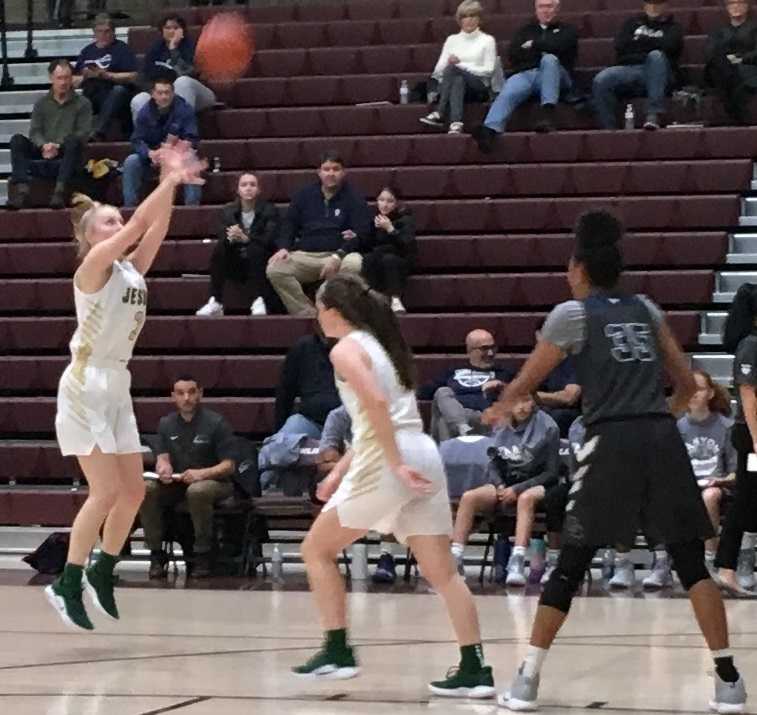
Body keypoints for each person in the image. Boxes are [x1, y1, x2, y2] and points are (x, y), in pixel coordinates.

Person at [484, 210, 746, 713]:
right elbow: (689, 383)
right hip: (660, 439)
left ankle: (527, 679)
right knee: (692, 563)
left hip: (611, 442)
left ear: (579, 267)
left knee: (573, 561)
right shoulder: (646, 308)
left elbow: (528, 380)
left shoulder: (571, 315)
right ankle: (729, 681)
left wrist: (500, 406)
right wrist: (660, 417)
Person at [291, 274, 495, 699]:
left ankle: (337, 650)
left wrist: (395, 465)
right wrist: (339, 471)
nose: (315, 314)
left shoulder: (346, 349)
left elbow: (377, 407)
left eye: (318, 305)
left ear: (332, 309)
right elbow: (379, 419)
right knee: (443, 573)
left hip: (391, 457)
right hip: (421, 450)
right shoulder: (381, 346)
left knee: (316, 550)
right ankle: (475, 667)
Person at [45, 142, 205, 630]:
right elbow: (139, 225)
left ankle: (103, 568)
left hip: (117, 381)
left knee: (135, 492)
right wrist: (169, 179)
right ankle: (66, 580)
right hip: (86, 381)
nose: (118, 227)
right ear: (90, 237)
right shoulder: (91, 269)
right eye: (107, 223)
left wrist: (171, 186)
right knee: (105, 490)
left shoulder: (131, 272)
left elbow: (154, 228)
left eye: (116, 221)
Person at [450, 394, 560, 586]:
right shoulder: (500, 425)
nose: (522, 406)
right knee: (469, 497)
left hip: (537, 484)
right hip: (504, 483)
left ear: (534, 401)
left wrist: (518, 489)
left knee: (525, 499)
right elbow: (492, 463)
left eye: (527, 400)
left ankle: (517, 561)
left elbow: (551, 472)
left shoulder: (549, 427)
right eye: (517, 400)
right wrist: (500, 485)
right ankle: (455, 558)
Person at [140, 375, 237, 579]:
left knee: (197, 491)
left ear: (200, 394)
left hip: (215, 482)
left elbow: (229, 465)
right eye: (181, 393)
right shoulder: (166, 424)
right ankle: (156, 553)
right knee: (147, 488)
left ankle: (202, 552)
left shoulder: (216, 422)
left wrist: (202, 473)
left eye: (191, 392)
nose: (186, 398)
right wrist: (163, 468)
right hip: (177, 482)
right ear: (173, 396)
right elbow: (162, 457)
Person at [266, 152, 371, 317]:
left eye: (336, 169)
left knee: (355, 264)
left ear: (344, 172)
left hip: (339, 254)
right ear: (319, 172)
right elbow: (289, 224)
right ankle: (307, 312)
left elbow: (362, 233)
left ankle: (329, 306)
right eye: (326, 169)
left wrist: (338, 256)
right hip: (307, 254)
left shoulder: (355, 198)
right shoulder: (304, 195)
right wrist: (284, 247)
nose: (331, 173)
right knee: (275, 268)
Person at [472, 0, 578, 153]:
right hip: (529, 73)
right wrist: (544, 47)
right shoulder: (525, 31)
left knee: (549, 59)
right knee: (513, 84)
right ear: (536, 10)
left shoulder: (567, 30)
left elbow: (561, 47)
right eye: (542, 7)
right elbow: (514, 55)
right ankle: (490, 129)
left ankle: (547, 114)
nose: (545, 10)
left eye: (549, 6)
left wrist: (534, 46)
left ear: (557, 9)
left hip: (558, 76)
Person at [714, 283, 757, 596]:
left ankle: (730, 565)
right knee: (744, 499)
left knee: (749, 499)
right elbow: (748, 395)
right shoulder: (751, 345)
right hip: (751, 434)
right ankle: (726, 566)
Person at [8, 60, 92, 210]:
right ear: (51, 78)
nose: (64, 82)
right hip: (43, 150)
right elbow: (35, 131)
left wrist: (58, 146)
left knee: (74, 141)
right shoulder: (41, 104)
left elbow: (84, 132)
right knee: (17, 140)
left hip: (67, 152)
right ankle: (22, 191)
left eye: (67, 77)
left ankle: (59, 192)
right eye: (59, 78)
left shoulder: (83, 103)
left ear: (72, 78)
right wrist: (43, 145)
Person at [195, 172, 282, 318]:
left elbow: (269, 239)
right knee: (220, 248)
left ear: (259, 190)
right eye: (244, 185)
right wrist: (231, 236)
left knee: (255, 249)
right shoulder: (227, 211)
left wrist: (246, 239)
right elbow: (222, 234)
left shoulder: (269, 210)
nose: (248, 188)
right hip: (235, 261)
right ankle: (215, 301)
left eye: (252, 185)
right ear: (238, 190)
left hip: (261, 260)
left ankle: (259, 299)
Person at [592, 0, 684, 131]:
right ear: (644, 5)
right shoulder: (632, 24)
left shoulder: (674, 28)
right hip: (631, 69)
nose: (653, 7)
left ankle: (653, 114)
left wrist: (639, 43)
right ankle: (608, 129)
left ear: (665, 6)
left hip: (660, 72)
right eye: (650, 3)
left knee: (656, 56)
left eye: (657, 4)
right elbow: (620, 45)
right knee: (602, 79)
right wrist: (654, 43)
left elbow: (670, 47)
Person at [419, 329, 513, 442]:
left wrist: (503, 386)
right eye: (484, 349)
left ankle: (457, 441)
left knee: (444, 421)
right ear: (469, 350)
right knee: (442, 392)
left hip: (484, 419)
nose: (490, 353)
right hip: (455, 416)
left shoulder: (503, 372)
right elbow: (424, 392)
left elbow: (524, 395)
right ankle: (462, 427)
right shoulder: (453, 371)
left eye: (493, 347)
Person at [419, 0, 497, 134]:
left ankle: (440, 112)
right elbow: (439, 70)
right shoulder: (452, 40)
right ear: (460, 20)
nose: (469, 20)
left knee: (454, 69)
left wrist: (460, 65)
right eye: (465, 16)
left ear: (479, 19)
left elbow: (488, 70)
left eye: (473, 16)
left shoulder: (487, 40)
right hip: (456, 84)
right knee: (457, 79)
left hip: (478, 86)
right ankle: (456, 123)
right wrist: (451, 64)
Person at [122, 77, 200, 208]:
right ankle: (129, 207)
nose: (164, 97)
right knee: (131, 161)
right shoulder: (144, 113)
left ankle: (192, 208)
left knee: (191, 158)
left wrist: (173, 151)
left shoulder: (185, 110)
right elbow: (136, 140)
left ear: (173, 93)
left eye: (167, 92)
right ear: (153, 94)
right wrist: (149, 153)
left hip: (178, 156)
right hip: (153, 158)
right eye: (160, 93)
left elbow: (192, 139)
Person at [130, 14, 216, 124]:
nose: (172, 31)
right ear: (162, 31)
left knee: (182, 82)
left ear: (183, 31)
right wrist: (156, 93)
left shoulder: (192, 47)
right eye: (168, 28)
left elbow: (188, 73)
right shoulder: (155, 50)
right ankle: (145, 138)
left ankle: (181, 133)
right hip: (165, 95)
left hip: (198, 94)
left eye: (176, 28)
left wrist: (173, 49)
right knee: (139, 100)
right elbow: (143, 77)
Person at [73, 13, 138, 141]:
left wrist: (107, 75)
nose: (103, 35)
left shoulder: (122, 49)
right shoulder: (87, 51)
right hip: (92, 92)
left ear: (113, 32)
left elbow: (134, 76)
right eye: (99, 31)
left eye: (107, 31)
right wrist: (86, 76)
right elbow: (73, 81)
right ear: (94, 33)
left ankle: (98, 132)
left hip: (114, 91)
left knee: (118, 91)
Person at [360, 186, 416, 314]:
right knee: (369, 259)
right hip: (379, 257)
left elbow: (406, 245)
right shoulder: (374, 219)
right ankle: (372, 299)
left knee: (389, 260)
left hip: (401, 258)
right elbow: (367, 244)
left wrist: (390, 229)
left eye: (389, 201)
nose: (384, 205)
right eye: (381, 200)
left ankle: (395, 299)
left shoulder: (405, 220)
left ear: (396, 204)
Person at [705, 0, 757, 126]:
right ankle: (737, 111)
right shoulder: (718, 31)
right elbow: (710, 52)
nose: (735, 6)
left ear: (747, 6)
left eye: (740, 3)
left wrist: (742, 59)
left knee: (727, 72)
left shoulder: (755, 28)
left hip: (747, 69)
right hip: (722, 69)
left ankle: (730, 110)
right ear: (727, 8)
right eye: (731, 4)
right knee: (719, 63)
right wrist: (728, 60)